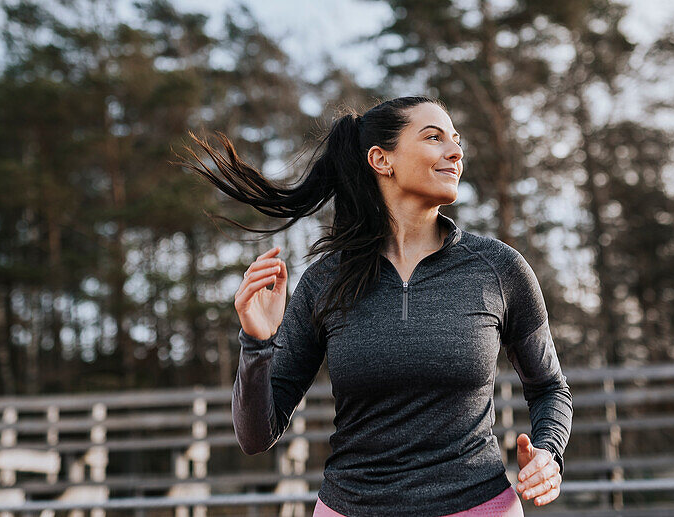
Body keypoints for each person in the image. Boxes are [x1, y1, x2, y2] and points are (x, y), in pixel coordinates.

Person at [178, 96, 572, 516]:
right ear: (381, 160)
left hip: (477, 506)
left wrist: (548, 452)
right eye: (434, 137)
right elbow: (256, 437)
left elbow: (550, 387)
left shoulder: (498, 268)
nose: (456, 151)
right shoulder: (325, 283)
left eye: (456, 140)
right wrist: (257, 344)